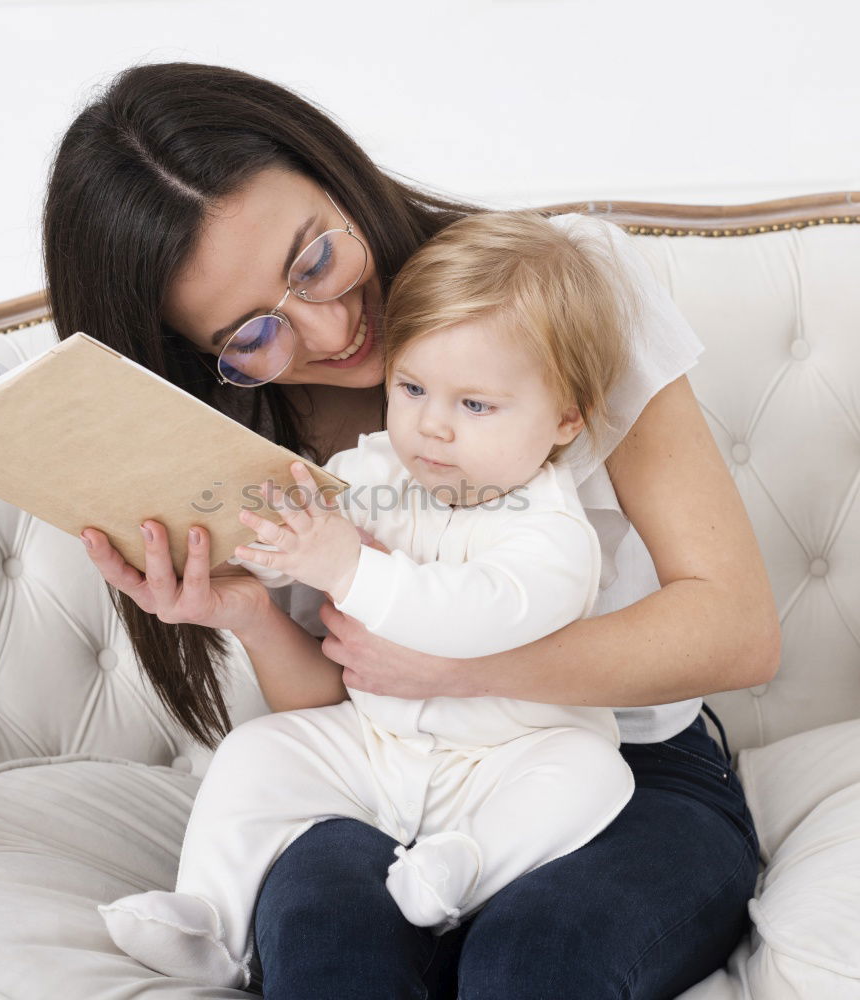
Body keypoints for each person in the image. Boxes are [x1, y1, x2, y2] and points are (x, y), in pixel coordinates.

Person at [48, 62, 777, 999]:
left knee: (532, 960)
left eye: (314, 259)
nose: (327, 326)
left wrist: (459, 666)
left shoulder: (556, 299)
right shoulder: (258, 434)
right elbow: (339, 701)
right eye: (250, 334)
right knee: (326, 937)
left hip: (612, 764)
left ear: (338, 172)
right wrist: (255, 616)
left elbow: (738, 628)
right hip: (385, 766)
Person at [97, 209, 640, 988]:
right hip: (376, 747)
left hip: (506, 761)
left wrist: (348, 567)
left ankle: (464, 867)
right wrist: (252, 553)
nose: (431, 427)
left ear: (564, 418)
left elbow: (474, 614)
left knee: (592, 774)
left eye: (475, 405)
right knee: (257, 753)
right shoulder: (384, 468)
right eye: (412, 387)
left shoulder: (553, 532)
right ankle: (211, 918)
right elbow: (310, 538)